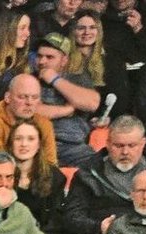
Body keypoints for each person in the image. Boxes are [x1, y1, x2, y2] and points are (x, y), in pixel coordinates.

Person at [61, 115, 146, 234]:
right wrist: (99, 227)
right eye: (119, 146)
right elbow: (72, 217)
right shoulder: (86, 174)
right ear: (108, 143)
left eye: (132, 145)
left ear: (143, 143)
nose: (125, 152)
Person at [34, 31, 101, 166]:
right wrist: (67, 109)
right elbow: (31, 110)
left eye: (49, 57)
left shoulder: (77, 79)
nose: (42, 61)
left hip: (74, 147)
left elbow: (92, 103)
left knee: (100, 166)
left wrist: (54, 79)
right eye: (39, 56)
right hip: (39, 145)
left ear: (64, 60)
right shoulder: (30, 79)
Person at [0, 73, 58, 166]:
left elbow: (51, 166)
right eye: (23, 97)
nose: (29, 102)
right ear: (7, 97)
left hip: (35, 177)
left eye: (34, 97)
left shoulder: (44, 124)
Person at [0, 9, 33, 80]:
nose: (28, 33)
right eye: (22, 28)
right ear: (7, 30)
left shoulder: (25, 64)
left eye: (28, 28)